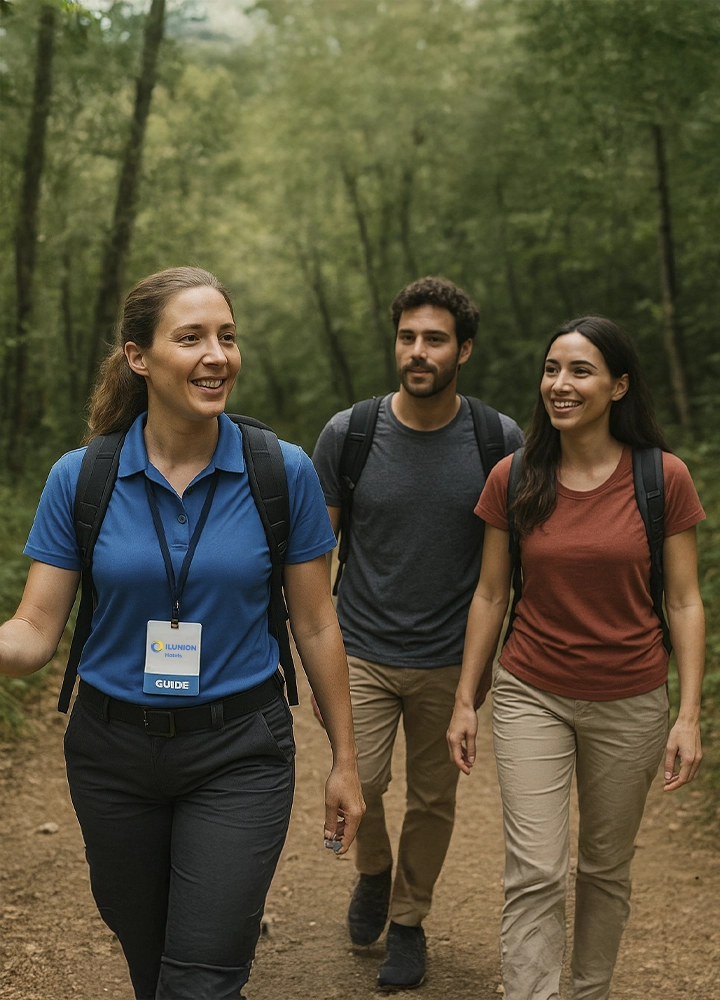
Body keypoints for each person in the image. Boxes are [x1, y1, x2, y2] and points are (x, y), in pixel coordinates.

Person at [0, 267, 364, 1000]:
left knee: (201, 978)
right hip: (110, 755)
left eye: (227, 338)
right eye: (191, 337)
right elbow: (35, 630)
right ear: (139, 356)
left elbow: (317, 621)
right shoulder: (83, 477)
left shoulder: (279, 471)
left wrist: (345, 760)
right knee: (150, 960)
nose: (217, 355)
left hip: (239, 751)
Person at [447, 316, 705, 1000]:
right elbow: (491, 594)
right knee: (536, 869)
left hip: (633, 699)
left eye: (580, 371)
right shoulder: (516, 475)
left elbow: (683, 602)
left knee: (604, 868)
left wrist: (688, 716)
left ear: (618, 386)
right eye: (552, 369)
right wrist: (465, 700)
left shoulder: (663, 478)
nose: (560, 385)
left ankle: (590, 989)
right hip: (533, 691)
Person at [312, 276, 524, 991]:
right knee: (361, 778)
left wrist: (484, 672)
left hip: (450, 660)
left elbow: (511, 569)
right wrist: (313, 661)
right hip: (361, 650)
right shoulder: (351, 433)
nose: (418, 351)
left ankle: (408, 920)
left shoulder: (500, 441)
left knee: (434, 800)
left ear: (462, 349)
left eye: (434, 339)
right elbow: (314, 558)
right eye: (407, 336)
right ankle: (374, 871)